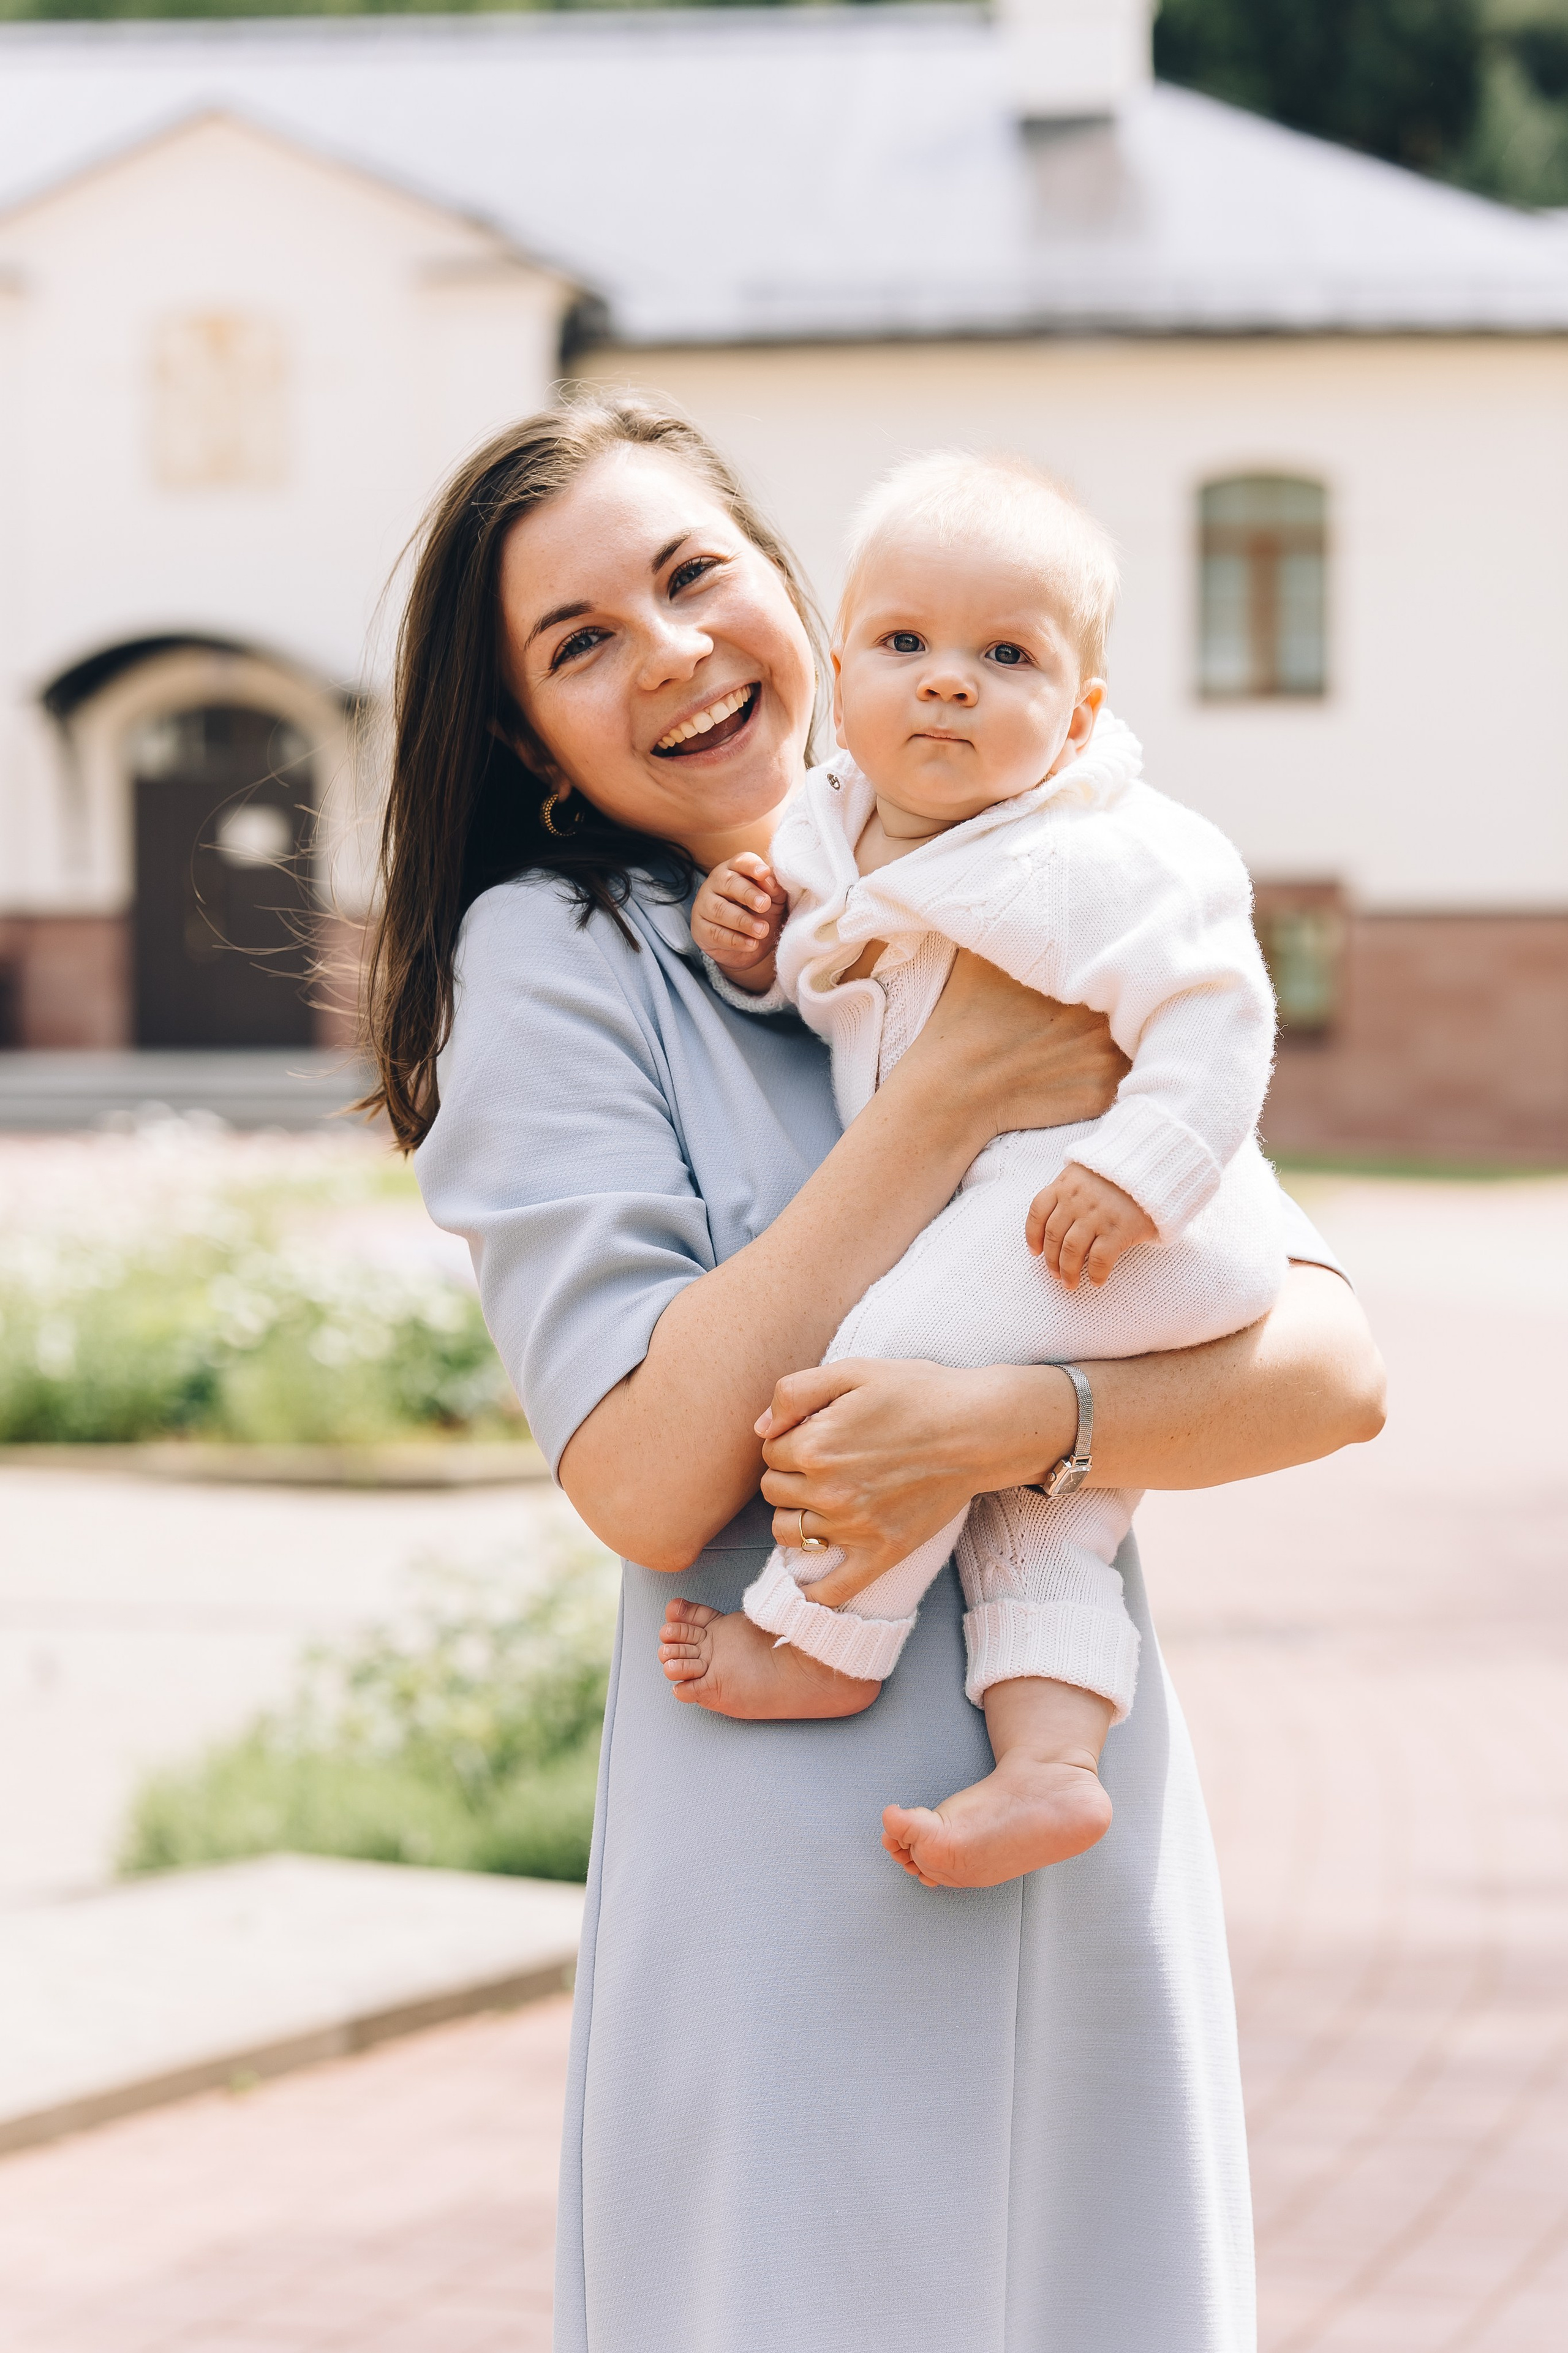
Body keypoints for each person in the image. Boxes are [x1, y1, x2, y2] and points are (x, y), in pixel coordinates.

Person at [366, 391, 1385, 2353]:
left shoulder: (1024, 871)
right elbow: (650, 1480)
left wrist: (1027, 1421)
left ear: (788, 593)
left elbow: (1330, 1367)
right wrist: (939, 1115)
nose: (667, 651)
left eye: (691, 575)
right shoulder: (562, 960)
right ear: (524, 735)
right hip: (790, 1859)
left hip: (1066, 1786)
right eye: (581, 642)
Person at [681, 449, 1285, 1893]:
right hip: (1040, 1226)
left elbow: (1216, 1008)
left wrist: (1139, 1169)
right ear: (839, 670)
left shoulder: (1103, 848)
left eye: (1002, 655)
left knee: (892, 1361)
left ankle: (824, 1635)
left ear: (1078, 712)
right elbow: (842, 1010)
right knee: (1042, 1515)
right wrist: (755, 959)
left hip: (1117, 1213)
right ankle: (1049, 1763)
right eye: (903, 643)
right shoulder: (827, 835)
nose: (944, 681)